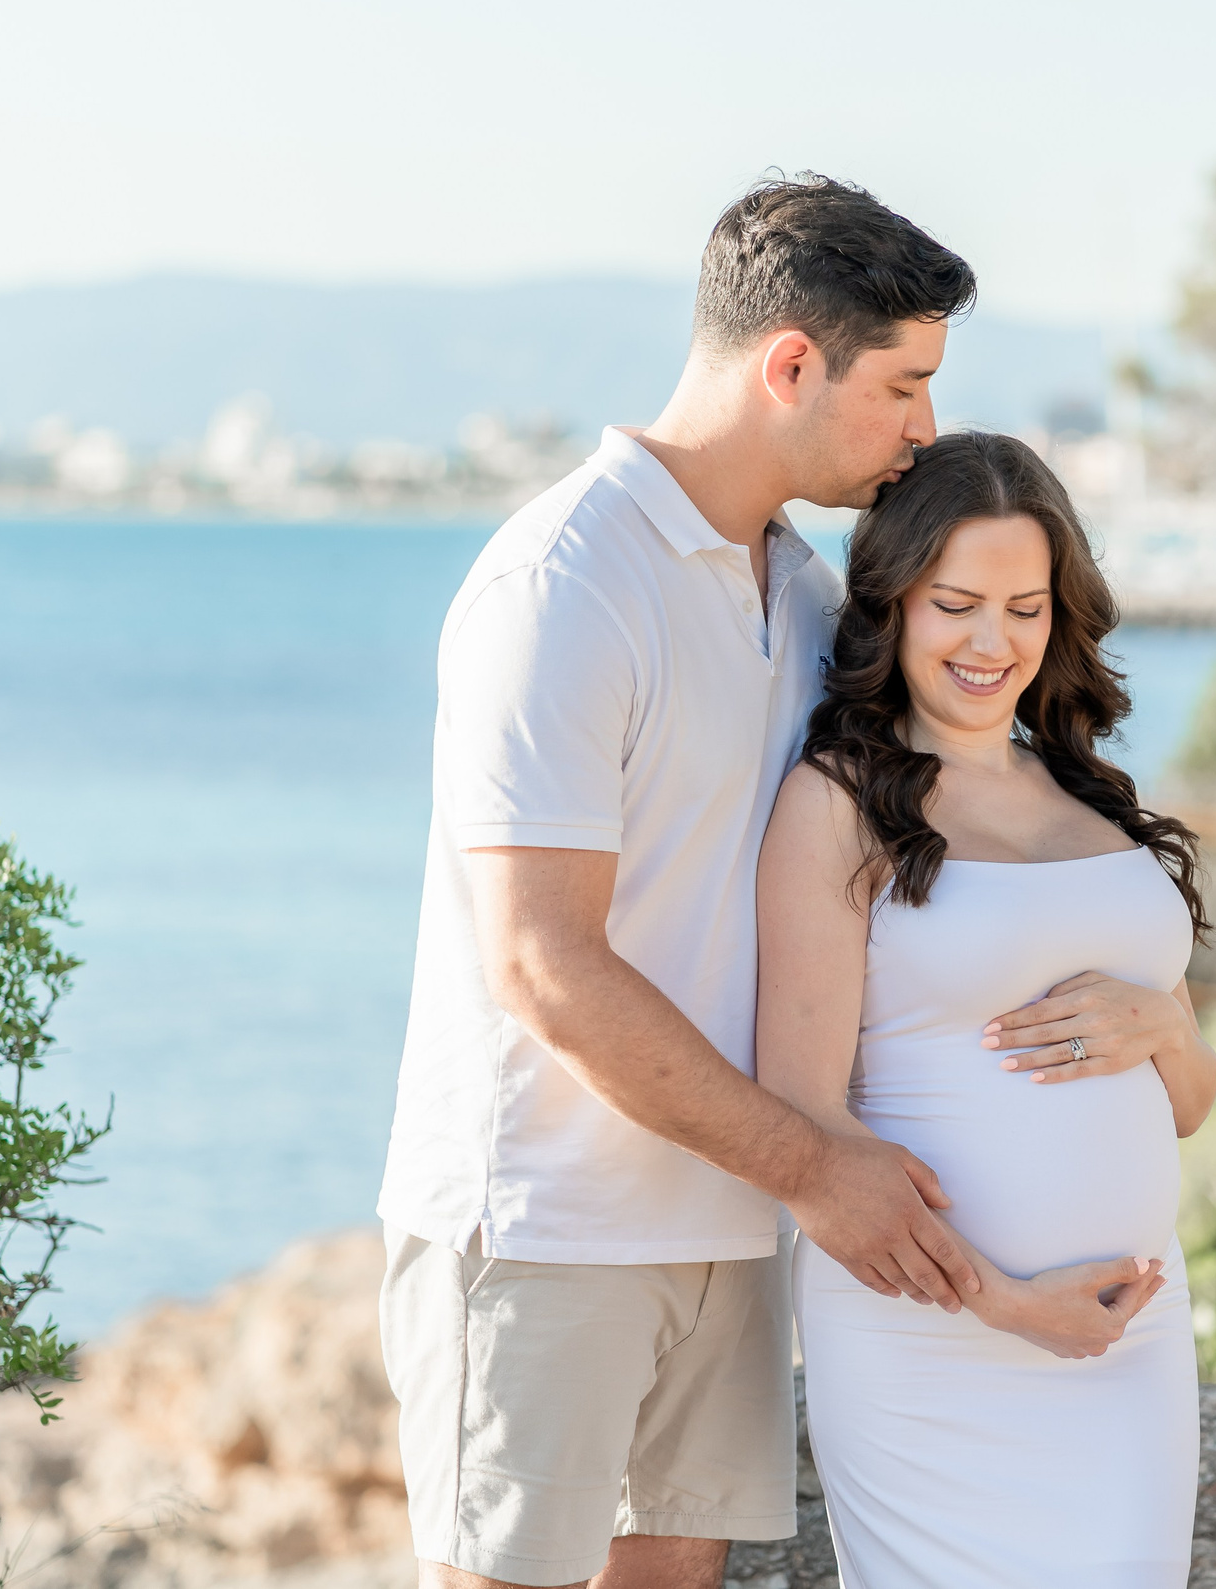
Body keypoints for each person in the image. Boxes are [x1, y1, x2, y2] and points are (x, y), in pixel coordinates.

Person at [374, 174, 990, 1589]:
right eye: (902, 386)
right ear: (791, 364)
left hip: (728, 1218)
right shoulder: (563, 584)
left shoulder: (811, 597)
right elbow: (541, 962)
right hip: (542, 1224)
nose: (924, 430)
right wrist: (816, 1167)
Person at [757, 432, 1216, 1587]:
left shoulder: (1089, 798)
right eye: (956, 603)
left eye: (1025, 608)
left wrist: (1167, 1030)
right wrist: (1007, 1305)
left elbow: (1191, 1104)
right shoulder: (837, 806)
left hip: (1128, 1335)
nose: (991, 643)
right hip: (932, 1343)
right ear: (894, 604)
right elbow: (802, 1128)